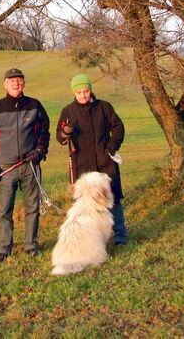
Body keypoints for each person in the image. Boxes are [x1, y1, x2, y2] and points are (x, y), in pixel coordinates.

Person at [0, 68, 50, 263]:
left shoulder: (35, 105)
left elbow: (45, 132)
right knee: (4, 211)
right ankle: (4, 249)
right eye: (11, 81)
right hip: (5, 168)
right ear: (5, 84)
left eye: (19, 80)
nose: (15, 84)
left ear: (24, 84)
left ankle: (31, 246)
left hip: (30, 166)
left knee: (32, 208)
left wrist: (39, 151)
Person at [56, 73, 128, 246]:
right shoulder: (68, 111)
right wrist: (65, 133)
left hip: (105, 162)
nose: (83, 95)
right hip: (81, 165)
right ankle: (91, 238)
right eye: (79, 92)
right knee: (85, 203)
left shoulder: (104, 107)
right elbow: (60, 137)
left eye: (86, 91)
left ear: (90, 90)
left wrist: (111, 146)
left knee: (113, 197)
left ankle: (120, 235)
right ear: (74, 93)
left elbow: (118, 127)